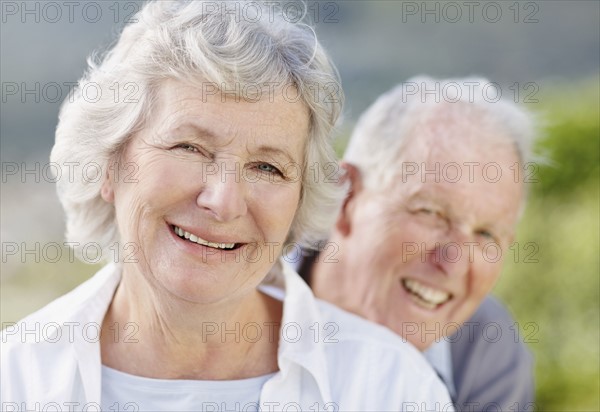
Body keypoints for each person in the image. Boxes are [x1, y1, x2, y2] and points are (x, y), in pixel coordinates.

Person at [0, 2, 454, 411]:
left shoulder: (389, 388)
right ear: (110, 165)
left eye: (267, 168)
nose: (223, 201)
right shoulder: (16, 381)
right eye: (190, 147)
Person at [298, 77, 537, 411]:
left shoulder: (486, 349)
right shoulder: (242, 292)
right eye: (430, 213)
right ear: (347, 196)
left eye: (485, 234)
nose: (453, 261)